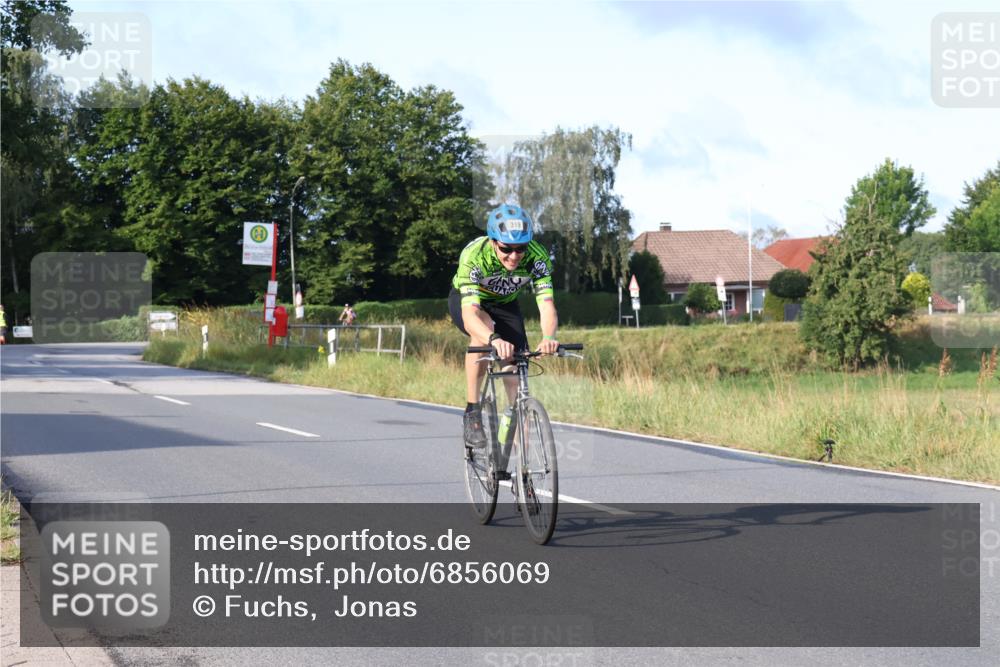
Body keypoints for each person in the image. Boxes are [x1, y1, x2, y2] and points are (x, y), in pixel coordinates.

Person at [449, 204, 559, 448]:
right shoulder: (474, 257)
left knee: (516, 377)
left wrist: (549, 336)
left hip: (506, 306)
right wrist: (494, 339)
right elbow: (470, 316)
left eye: (520, 248)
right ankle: (473, 410)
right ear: (493, 241)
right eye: (506, 249)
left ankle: (524, 468)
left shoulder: (537, 257)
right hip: (470, 303)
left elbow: (547, 305)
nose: (514, 255)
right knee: (483, 333)